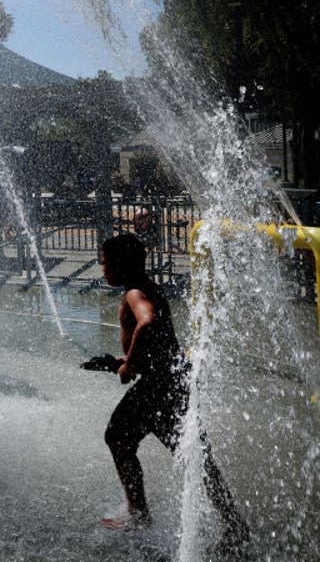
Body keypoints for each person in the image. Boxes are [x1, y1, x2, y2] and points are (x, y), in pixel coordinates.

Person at [95, 233, 247, 547]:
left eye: (106, 264)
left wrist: (127, 368)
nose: (103, 270)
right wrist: (121, 362)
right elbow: (159, 345)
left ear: (123, 265)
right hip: (169, 382)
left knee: (119, 437)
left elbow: (147, 323)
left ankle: (139, 515)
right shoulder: (145, 288)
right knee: (194, 456)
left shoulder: (136, 293)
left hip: (159, 386)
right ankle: (233, 523)